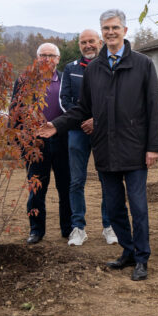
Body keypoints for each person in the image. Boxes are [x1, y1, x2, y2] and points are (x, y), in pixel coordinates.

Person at [39, 9, 158, 281]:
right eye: (106, 28)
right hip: (105, 148)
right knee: (115, 207)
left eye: (115, 28)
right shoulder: (94, 69)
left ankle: (142, 258)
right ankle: (127, 251)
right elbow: (82, 108)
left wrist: (153, 147)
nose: (110, 32)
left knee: (139, 208)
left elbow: (155, 108)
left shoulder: (142, 64)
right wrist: (57, 124)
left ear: (125, 31)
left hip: (135, 149)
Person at [60, 29, 117, 246]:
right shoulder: (70, 69)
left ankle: (109, 226)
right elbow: (64, 100)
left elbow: (114, 98)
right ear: (79, 45)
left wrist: (97, 120)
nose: (88, 45)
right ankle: (78, 227)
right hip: (77, 131)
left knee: (107, 179)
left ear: (100, 42)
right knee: (76, 181)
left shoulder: (110, 66)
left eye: (91, 41)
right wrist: (84, 120)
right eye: (83, 42)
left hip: (104, 132)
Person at [13, 43, 72, 245]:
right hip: (35, 144)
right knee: (36, 189)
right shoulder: (24, 81)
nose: (47, 59)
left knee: (66, 188)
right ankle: (36, 230)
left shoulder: (67, 80)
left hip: (63, 140)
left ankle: (68, 229)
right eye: (43, 55)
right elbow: (15, 111)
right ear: (37, 58)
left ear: (58, 58)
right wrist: (20, 143)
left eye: (51, 55)